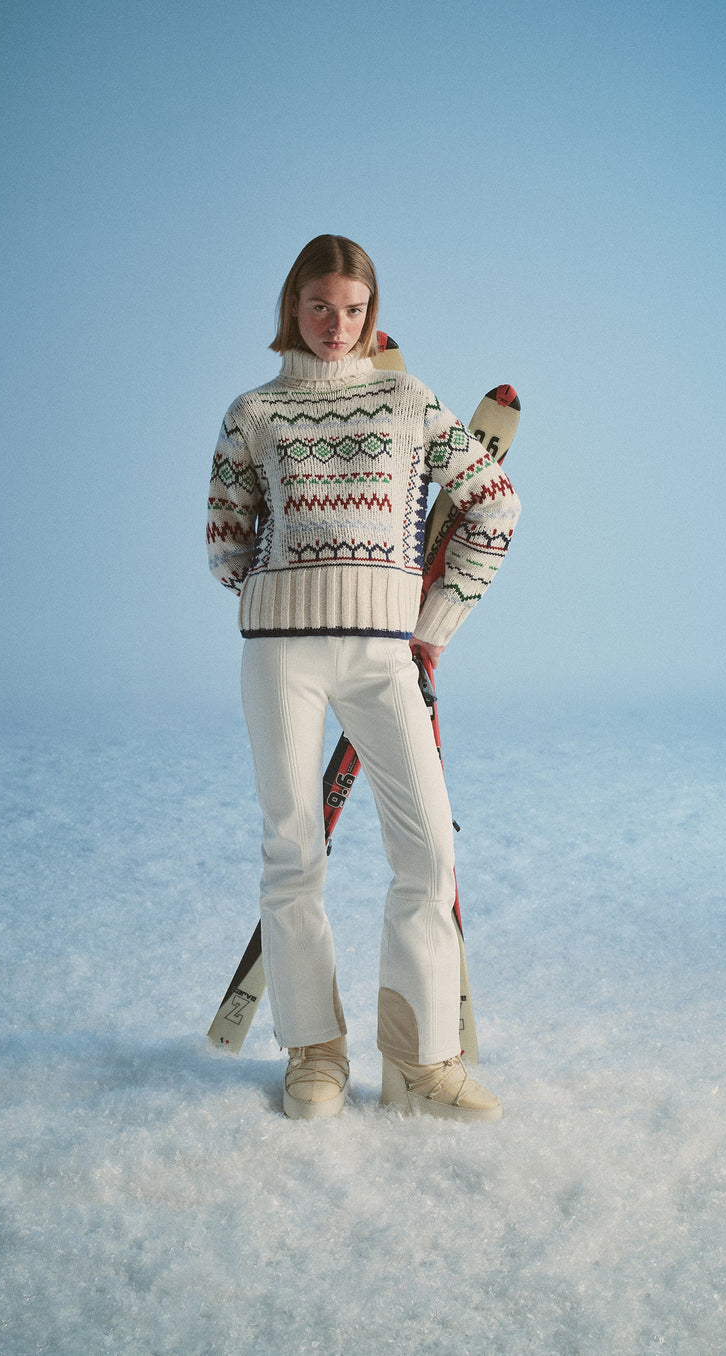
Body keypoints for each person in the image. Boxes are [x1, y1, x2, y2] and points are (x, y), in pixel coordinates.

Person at [207, 234, 520, 1121]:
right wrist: (285, 589)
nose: (336, 324)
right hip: (282, 654)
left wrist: (433, 626)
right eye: (319, 306)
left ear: (371, 313)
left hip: (386, 655)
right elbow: (225, 540)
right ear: (292, 307)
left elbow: (494, 503)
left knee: (428, 854)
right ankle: (314, 1053)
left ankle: (419, 1065)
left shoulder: (407, 400)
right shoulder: (253, 413)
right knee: (293, 852)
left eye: (353, 310)